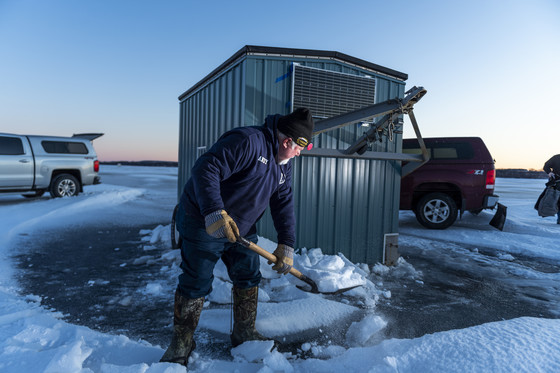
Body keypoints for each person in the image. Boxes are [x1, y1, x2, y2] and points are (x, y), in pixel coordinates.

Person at [160, 108, 315, 365]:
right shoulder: (249, 141)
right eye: (300, 147)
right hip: (203, 220)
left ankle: (244, 333)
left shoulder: (283, 165)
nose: (300, 153)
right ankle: (181, 343)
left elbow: (283, 202)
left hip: (241, 226)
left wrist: (286, 244)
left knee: (248, 276)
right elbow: (205, 168)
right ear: (288, 141)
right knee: (196, 280)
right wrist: (213, 211)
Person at [543, 154, 560, 224]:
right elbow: (546, 165)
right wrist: (549, 173)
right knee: (558, 200)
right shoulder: (557, 157)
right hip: (557, 181)